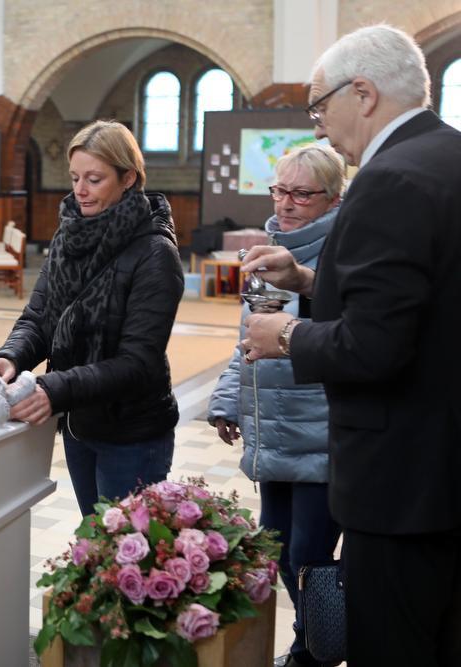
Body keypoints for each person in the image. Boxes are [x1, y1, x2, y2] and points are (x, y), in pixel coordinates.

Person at [241, 25, 461, 666]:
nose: (319, 128)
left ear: (361, 93)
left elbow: (374, 346)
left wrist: (285, 332)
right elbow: (423, 309)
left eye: (320, 107)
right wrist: (309, 280)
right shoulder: (448, 157)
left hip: (402, 481)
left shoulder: (388, 179)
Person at [0, 120, 184, 517]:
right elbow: (40, 316)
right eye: (75, 178)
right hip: (80, 423)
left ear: (128, 178)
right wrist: (10, 356)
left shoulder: (155, 253)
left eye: (94, 178)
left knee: (127, 561)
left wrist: (54, 389)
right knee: (96, 542)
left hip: (132, 432)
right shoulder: (70, 234)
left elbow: (138, 362)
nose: (80, 190)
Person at [208, 144, 344, 667]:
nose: (286, 203)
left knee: (307, 557)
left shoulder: (340, 254)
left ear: (332, 200)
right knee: (279, 551)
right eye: (280, 190)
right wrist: (226, 402)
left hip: (318, 432)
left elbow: (347, 337)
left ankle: (321, 646)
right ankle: (313, 637)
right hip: (274, 431)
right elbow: (247, 337)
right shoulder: (269, 247)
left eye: (301, 193)